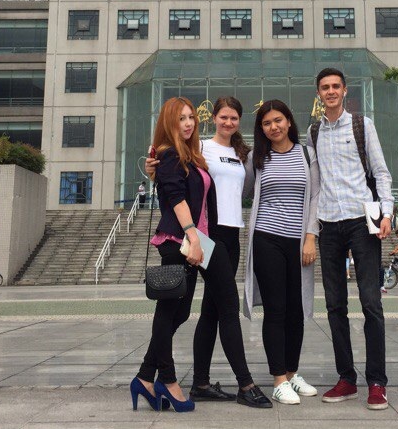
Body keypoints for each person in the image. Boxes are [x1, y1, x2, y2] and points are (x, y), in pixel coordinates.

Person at [132, 97, 271, 413]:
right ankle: (239, 384)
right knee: (199, 308)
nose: (188, 123)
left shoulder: (191, 153)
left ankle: (146, 376)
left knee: (183, 312)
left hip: (203, 238)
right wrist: (194, 236)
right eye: (181, 118)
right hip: (191, 239)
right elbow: (176, 196)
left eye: (190, 117)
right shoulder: (180, 152)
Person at [309, 67, 394, 410]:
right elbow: (315, 183)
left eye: (335, 86)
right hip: (329, 223)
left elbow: (381, 171)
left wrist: (387, 212)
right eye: (324, 87)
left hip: (362, 221)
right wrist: (312, 228)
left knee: (371, 303)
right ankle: (346, 378)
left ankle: (377, 382)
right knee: (334, 305)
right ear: (319, 94)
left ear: (344, 90)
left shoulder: (362, 125)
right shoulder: (314, 132)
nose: (330, 91)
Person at [243, 100, 319, 405]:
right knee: (276, 310)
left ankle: (291, 373)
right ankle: (278, 380)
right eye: (266, 123)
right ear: (261, 128)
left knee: (296, 310)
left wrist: (311, 236)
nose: (273, 127)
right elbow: (241, 188)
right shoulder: (257, 157)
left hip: (298, 242)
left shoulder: (307, 154)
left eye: (278, 120)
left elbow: (315, 196)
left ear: (289, 121)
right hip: (266, 239)